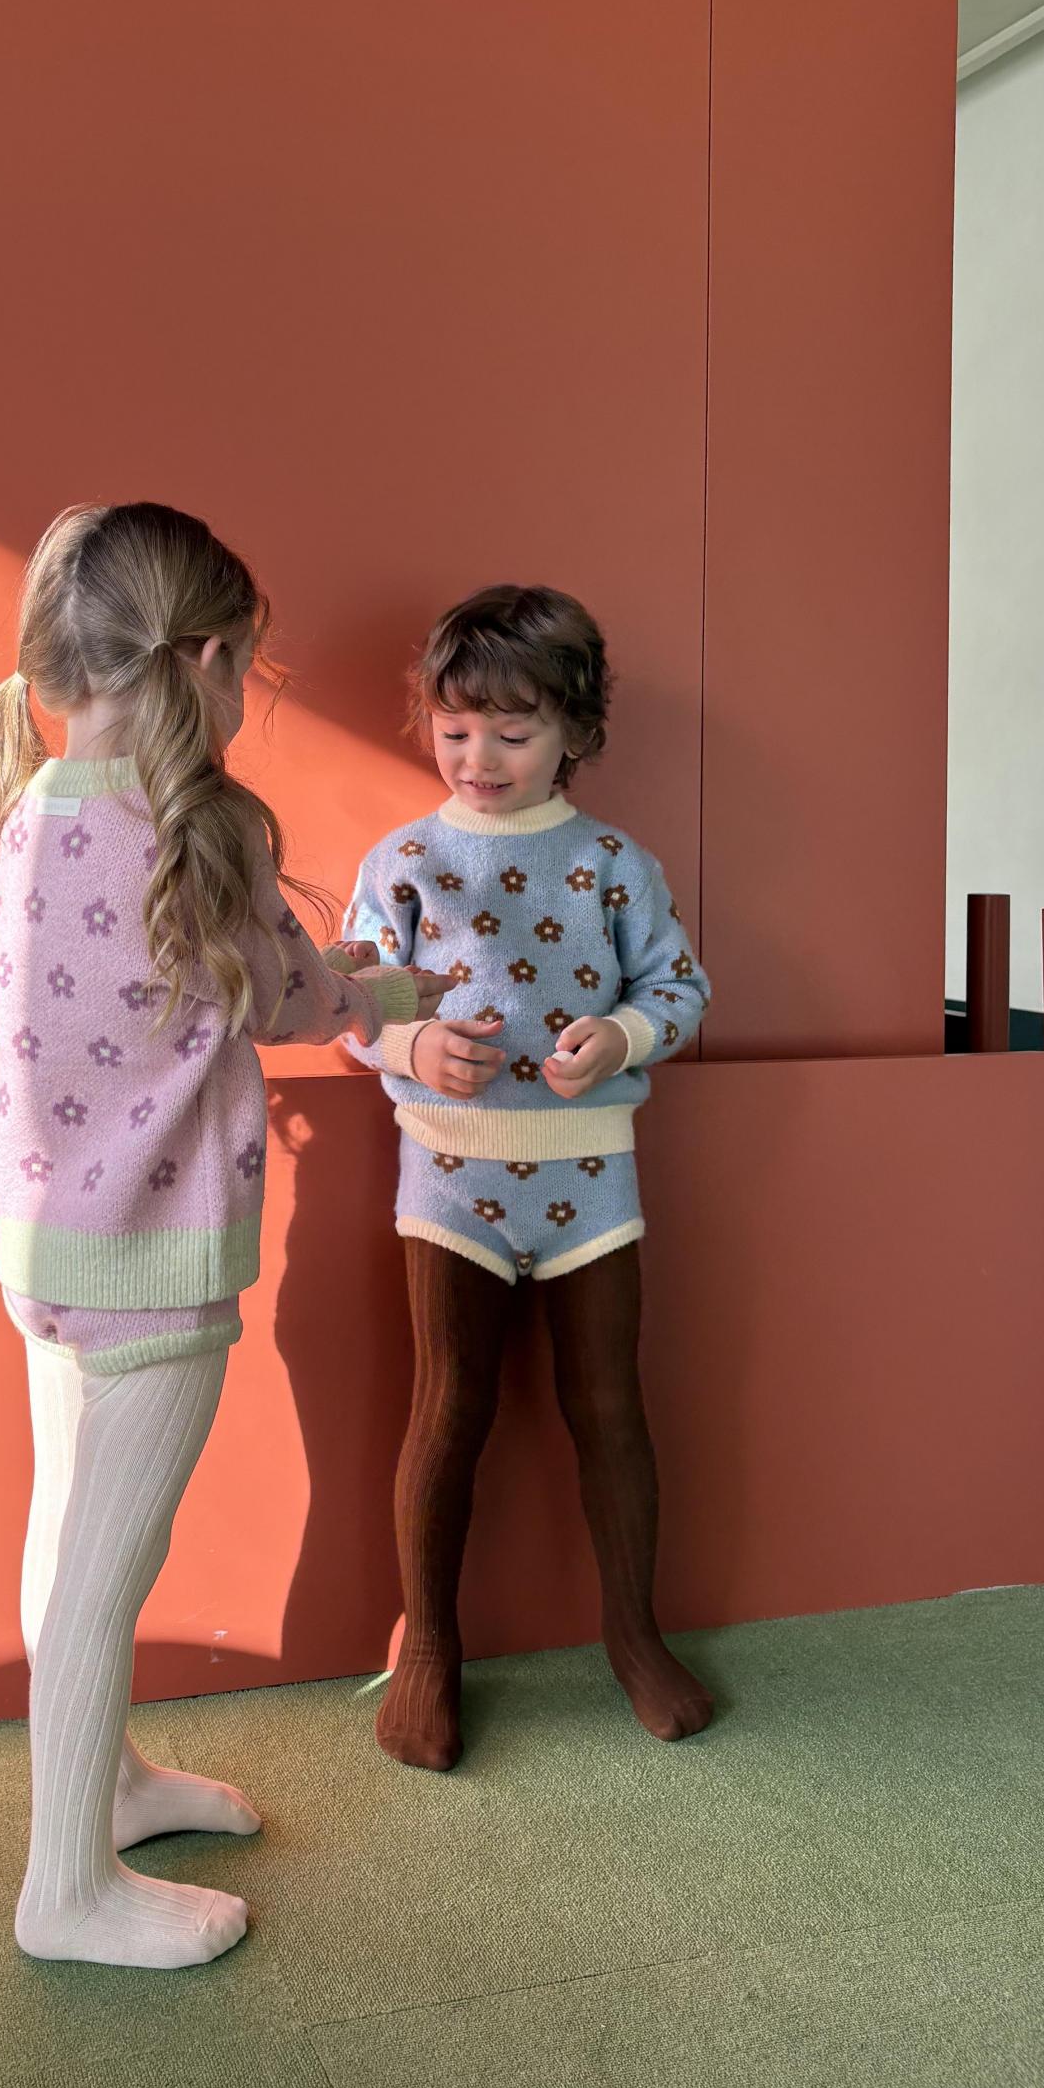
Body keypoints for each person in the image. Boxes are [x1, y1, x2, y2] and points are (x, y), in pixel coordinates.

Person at [0, 500, 445, 1967]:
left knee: (64, 1529)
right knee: (107, 1572)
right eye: (247, 668)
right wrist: (389, 992)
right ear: (206, 660)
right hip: (152, 1259)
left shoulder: (33, 806)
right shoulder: (195, 833)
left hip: (42, 1244)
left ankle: (110, 1790)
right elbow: (293, 1000)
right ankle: (65, 1890)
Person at [341, 583, 714, 1771]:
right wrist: (412, 1045)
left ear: (574, 732)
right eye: (455, 730)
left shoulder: (614, 864)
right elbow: (352, 999)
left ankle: (634, 1635)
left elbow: (680, 988)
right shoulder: (404, 861)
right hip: (449, 1182)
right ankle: (430, 1648)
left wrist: (622, 1036)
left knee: (609, 1405)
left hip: (593, 1182)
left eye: (511, 732)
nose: (478, 757)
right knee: (448, 1407)